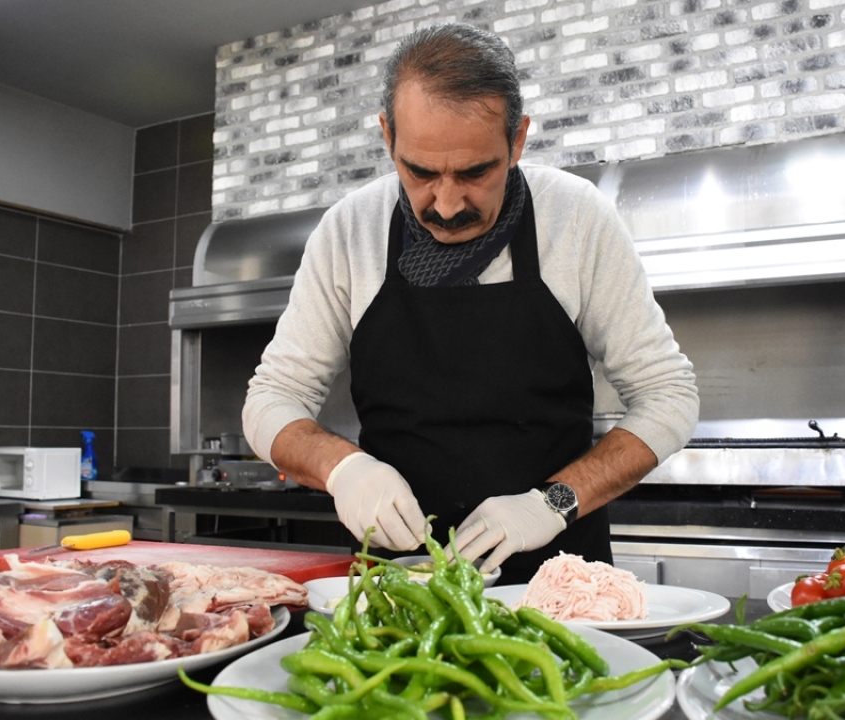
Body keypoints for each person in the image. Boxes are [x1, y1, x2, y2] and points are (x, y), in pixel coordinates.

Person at [243, 23, 699, 584]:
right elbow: (271, 399)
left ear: (518, 140)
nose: (447, 203)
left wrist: (552, 503)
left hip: (557, 583)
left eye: (476, 172)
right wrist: (343, 469)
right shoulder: (350, 231)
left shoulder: (576, 217)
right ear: (388, 137)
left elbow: (668, 395)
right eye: (420, 171)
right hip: (399, 584)